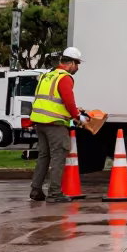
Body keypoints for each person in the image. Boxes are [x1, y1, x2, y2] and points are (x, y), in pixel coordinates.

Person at [29, 46, 89, 203]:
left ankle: (36, 190)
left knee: (44, 156)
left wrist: (75, 109)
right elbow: (68, 101)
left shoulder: (47, 76)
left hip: (40, 122)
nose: (77, 68)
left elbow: (50, 100)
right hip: (55, 124)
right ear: (70, 63)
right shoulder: (65, 78)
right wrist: (78, 117)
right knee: (58, 157)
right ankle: (55, 193)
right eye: (77, 64)